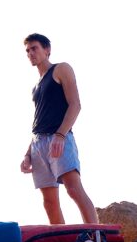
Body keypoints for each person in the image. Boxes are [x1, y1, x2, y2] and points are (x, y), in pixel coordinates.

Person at [19, 33, 98, 224]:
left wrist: (61, 135)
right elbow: (39, 120)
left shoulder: (61, 69)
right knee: (49, 202)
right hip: (38, 143)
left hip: (59, 138)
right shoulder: (36, 87)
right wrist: (27, 154)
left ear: (47, 50)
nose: (30, 53)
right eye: (27, 50)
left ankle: (96, 237)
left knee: (73, 189)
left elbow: (75, 104)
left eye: (34, 48)